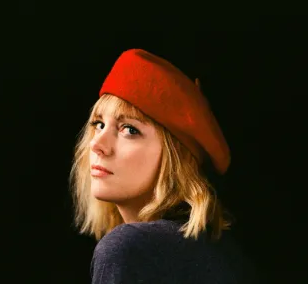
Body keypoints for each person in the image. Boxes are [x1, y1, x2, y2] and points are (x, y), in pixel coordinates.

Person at [70, 49, 256, 283]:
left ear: (175, 158)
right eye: (98, 124)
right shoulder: (224, 250)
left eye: (130, 130)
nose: (97, 144)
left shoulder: (131, 248)